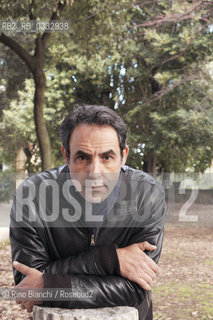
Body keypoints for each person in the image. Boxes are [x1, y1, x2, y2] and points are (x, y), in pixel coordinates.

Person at [10, 104, 166, 320]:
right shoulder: (32, 196)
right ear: (66, 155)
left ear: (124, 156)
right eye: (82, 158)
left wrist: (51, 284)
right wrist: (108, 260)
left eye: (107, 157)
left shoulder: (147, 194)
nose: (95, 173)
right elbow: (28, 285)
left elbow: (135, 288)